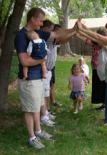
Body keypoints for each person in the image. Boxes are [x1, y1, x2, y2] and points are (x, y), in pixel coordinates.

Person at [14, 7, 76, 149]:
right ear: (32, 19)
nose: (42, 24)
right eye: (40, 21)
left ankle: (38, 131)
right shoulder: (21, 36)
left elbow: (56, 34)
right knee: (30, 109)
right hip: (28, 80)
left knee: (36, 107)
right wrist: (42, 61)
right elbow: (24, 61)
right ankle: (32, 137)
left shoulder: (37, 33)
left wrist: (74, 30)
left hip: (38, 79)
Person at [76, 28, 107, 111]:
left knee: (102, 87)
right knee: (99, 87)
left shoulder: (102, 43)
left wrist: (80, 31)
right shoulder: (95, 42)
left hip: (100, 68)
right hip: (95, 67)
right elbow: (86, 39)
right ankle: (103, 104)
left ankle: (105, 105)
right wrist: (78, 33)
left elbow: (88, 38)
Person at [41, 21, 62, 108]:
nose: (57, 33)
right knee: (45, 88)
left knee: (52, 84)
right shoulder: (49, 39)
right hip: (44, 67)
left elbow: (62, 39)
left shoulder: (56, 41)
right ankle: (45, 108)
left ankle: (52, 102)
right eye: (55, 30)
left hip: (51, 66)